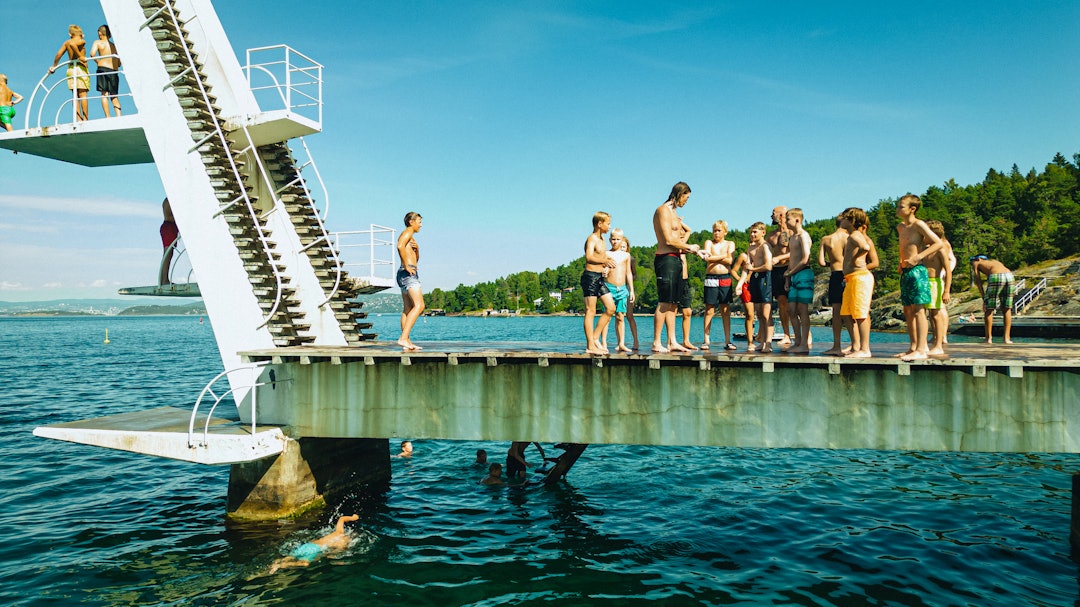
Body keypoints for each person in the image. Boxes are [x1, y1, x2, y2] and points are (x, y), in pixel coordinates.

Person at [651, 182, 700, 353]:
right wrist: (690, 247)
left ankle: (672, 341)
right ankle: (657, 342)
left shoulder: (674, 213)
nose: (687, 201)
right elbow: (668, 240)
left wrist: (696, 251)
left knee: (673, 304)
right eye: (686, 197)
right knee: (664, 302)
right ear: (680, 193)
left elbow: (679, 239)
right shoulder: (663, 210)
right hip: (666, 259)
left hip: (677, 259)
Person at [895, 194, 943, 361]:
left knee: (919, 310)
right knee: (908, 310)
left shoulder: (918, 225)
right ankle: (913, 347)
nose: (897, 209)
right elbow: (904, 247)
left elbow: (938, 243)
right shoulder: (900, 227)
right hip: (906, 271)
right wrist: (900, 263)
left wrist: (918, 257)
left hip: (918, 271)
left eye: (901, 206)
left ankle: (922, 349)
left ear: (912, 209)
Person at [269, 514, 361, 573]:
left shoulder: (339, 532)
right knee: (305, 563)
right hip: (314, 550)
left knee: (291, 556)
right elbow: (331, 555)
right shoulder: (343, 543)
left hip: (309, 545)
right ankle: (280, 565)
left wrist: (353, 518)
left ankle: (278, 561)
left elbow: (342, 519)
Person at [582, 212, 617, 354]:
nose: (609, 226)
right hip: (590, 278)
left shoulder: (603, 240)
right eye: (608, 223)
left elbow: (601, 257)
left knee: (611, 308)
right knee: (590, 311)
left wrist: (606, 267)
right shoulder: (592, 239)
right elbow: (589, 257)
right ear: (599, 224)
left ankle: (595, 337)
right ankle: (590, 346)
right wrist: (604, 261)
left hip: (599, 278)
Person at [841, 208, 874, 358]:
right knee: (847, 313)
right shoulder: (851, 236)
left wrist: (855, 259)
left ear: (852, 221)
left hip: (860, 277)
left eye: (844, 218)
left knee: (860, 314)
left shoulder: (855, 235)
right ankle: (856, 346)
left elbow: (865, 247)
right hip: (851, 278)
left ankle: (865, 349)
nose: (841, 220)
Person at [699, 220, 736, 350]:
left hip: (725, 278)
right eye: (715, 230)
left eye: (719, 230)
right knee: (709, 309)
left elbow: (730, 260)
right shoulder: (708, 243)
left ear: (725, 231)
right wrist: (722, 256)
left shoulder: (730, 244)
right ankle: (706, 340)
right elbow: (706, 258)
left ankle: (727, 341)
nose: (716, 233)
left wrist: (715, 257)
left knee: (725, 309)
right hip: (711, 277)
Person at [818, 215, 851, 356]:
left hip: (835, 274)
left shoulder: (827, 239)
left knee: (836, 312)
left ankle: (836, 345)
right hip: (849, 274)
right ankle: (856, 344)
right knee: (850, 311)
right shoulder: (850, 238)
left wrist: (831, 263)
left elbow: (820, 261)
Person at [782, 209, 814, 354]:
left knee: (802, 310)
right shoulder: (792, 237)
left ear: (797, 220)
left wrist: (791, 272)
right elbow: (792, 259)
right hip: (793, 275)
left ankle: (804, 343)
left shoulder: (803, 235)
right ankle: (798, 341)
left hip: (803, 273)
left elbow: (805, 257)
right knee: (791, 310)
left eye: (788, 219)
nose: (785, 221)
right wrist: (788, 278)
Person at [923, 220, 953, 355]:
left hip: (935, 282)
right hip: (924, 282)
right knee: (926, 313)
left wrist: (946, 291)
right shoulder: (925, 250)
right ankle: (930, 340)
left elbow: (948, 270)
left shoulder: (941, 248)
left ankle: (939, 344)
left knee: (935, 314)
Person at [48, 25, 89, 122]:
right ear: (81, 34)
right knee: (83, 94)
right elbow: (73, 45)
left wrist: (54, 66)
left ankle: (78, 118)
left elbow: (58, 54)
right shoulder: (82, 41)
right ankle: (86, 119)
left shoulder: (67, 42)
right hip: (80, 68)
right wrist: (80, 57)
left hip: (71, 69)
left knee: (74, 95)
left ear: (70, 34)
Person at [970, 255, 1014, 344]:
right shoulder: (994, 261)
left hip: (996, 276)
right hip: (1009, 276)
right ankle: (1007, 338)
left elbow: (977, 280)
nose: (972, 264)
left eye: (972, 262)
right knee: (1006, 308)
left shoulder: (977, 263)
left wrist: (983, 297)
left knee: (989, 308)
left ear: (978, 259)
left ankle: (988, 339)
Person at [396, 212, 425, 350]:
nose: (421, 224)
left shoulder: (411, 238)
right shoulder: (407, 232)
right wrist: (406, 265)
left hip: (405, 273)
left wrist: (417, 249)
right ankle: (403, 338)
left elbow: (415, 259)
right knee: (419, 306)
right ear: (411, 222)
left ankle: (406, 340)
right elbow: (399, 246)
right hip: (408, 273)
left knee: (408, 309)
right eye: (419, 221)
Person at [605, 228, 635, 353]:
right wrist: (604, 270)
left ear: (622, 240)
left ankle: (621, 343)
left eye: (618, 239)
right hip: (609, 288)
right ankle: (603, 343)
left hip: (622, 289)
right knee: (607, 316)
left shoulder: (626, 255)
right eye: (613, 239)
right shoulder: (606, 254)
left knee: (620, 316)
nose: (615, 242)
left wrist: (631, 290)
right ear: (610, 240)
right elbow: (603, 267)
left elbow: (628, 273)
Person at [767, 206, 794, 344]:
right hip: (776, 270)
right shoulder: (770, 235)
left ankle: (806, 334)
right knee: (782, 303)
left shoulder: (791, 232)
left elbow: (790, 248)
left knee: (796, 303)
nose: (771, 215)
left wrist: (783, 226)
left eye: (774, 213)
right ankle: (786, 334)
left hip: (790, 268)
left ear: (782, 215)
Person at [745, 221, 774, 352]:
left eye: (755, 232)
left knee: (766, 314)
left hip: (765, 278)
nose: (752, 234)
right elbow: (747, 266)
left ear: (763, 232)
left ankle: (768, 343)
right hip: (755, 280)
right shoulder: (750, 248)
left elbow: (768, 266)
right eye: (751, 232)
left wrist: (754, 268)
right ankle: (762, 342)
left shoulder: (765, 246)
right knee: (759, 313)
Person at [89, 25, 121, 117]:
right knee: (114, 96)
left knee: (104, 94)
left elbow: (92, 54)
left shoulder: (98, 42)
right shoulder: (114, 46)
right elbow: (119, 63)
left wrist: (98, 61)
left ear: (100, 32)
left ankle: (108, 116)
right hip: (113, 71)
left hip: (102, 68)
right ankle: (119, 116)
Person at [617, 236, 640, 350]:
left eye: (623, 247)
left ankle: (636, 341)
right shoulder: (613, 257)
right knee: (618, 316)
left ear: (627, 248)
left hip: (627, 288)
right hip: (616, 288)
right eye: (620, 246)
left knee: (629, 316)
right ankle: (620, 342)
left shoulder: (630, 259)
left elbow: (634, 274)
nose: (621, 248)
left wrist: (628, 281)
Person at [731, 251, 756, 351]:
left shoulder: (761, 253)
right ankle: (750, 342)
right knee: (750, 314)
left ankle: (760, 339)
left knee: (763, 313)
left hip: (759, 283)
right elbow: (733, 270)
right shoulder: (743, 256)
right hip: (746, 287)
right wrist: (741, 281)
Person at [159, 198, 178, 285]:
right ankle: (164, 280)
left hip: (171, 227)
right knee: (168, 253)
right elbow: (169, 216)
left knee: (169, 253)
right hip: (169, 227)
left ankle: (164, 279)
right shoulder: (168, 200)